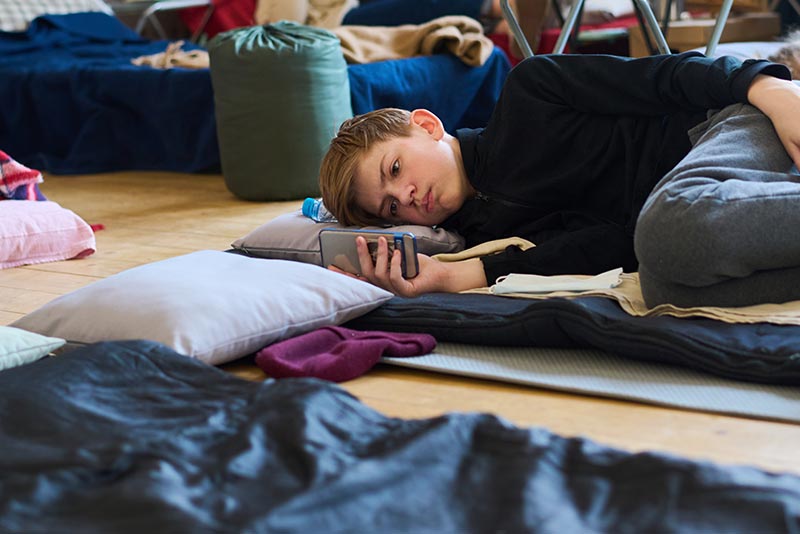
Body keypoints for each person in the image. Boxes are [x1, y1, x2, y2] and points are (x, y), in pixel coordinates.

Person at [318, 51, 800, 309]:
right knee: (663, 285)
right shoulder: (489, 238)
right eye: (391, 208)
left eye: (395, 170)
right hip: (691, 211)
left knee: (668, 230)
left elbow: (666, 75)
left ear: (425, 126)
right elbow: (615, 248)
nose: (405, 197)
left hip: (723, 130)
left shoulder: (533, 90)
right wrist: (450, 276)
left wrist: (768, 88)